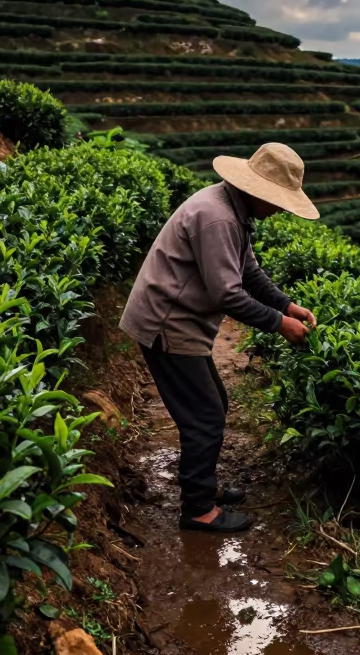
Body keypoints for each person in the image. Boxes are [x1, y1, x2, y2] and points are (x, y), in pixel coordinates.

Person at [120, 143, 319, 535]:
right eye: (279, 201)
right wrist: (281, 324)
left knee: (214, 403)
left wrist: (286, 304)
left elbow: (248, 271)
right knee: (205, 415)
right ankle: (197, 510)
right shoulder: (219, 218)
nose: (280, 209)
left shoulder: (233, 210)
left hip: (181, 322)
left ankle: (204, 488)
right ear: (259, 191)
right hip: (167, 324)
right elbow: (226, 294)